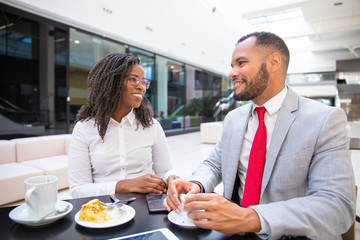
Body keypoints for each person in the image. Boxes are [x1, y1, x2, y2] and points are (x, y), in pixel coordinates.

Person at [164, 32, 356, 240]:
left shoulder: (324, 119)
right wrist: (196, 183)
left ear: (273, 62)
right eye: (232, 65)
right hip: (234, 233)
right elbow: (215, 164)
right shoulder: (233, 119)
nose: (231, 73)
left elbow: (337, 206)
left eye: (241, 63)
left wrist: (251, 217)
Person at [68, 53, 178, 198]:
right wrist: (125, 185)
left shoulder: (152, 126)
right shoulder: (84, 128)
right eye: (133, 79)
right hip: (102, 209)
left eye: (144, 82)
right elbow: (78, 190)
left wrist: (172, 178)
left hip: (145, 205)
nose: (141, 87)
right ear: (112, 82)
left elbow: (164, 171)